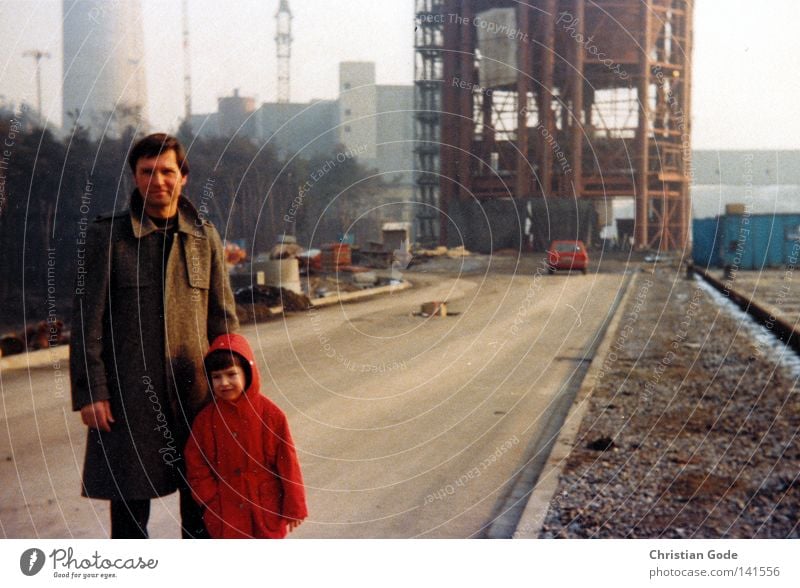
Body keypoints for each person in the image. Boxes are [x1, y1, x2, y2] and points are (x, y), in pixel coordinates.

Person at [69, 133, 239, 538]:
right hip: (129, 402)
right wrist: (92, 392)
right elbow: (86, 323)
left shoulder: (204, 239)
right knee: (129, 521)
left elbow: (224, 320)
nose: (158, 180)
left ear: (183, 178)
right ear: (135, 177)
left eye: (167, 171)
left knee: (204, 515)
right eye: (148, 172)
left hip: (197, 399)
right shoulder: (107, 238)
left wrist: (236, 385)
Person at [184, 333, 307, 538]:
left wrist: (295, 506)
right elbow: (195, 462)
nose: (224, 383)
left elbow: (288, 463)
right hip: (226, 511)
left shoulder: (271, 415)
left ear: (247, 373)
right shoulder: (205, 420)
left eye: (231, 374)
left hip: (265, 508)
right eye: (216, 377)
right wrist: (210, 499)